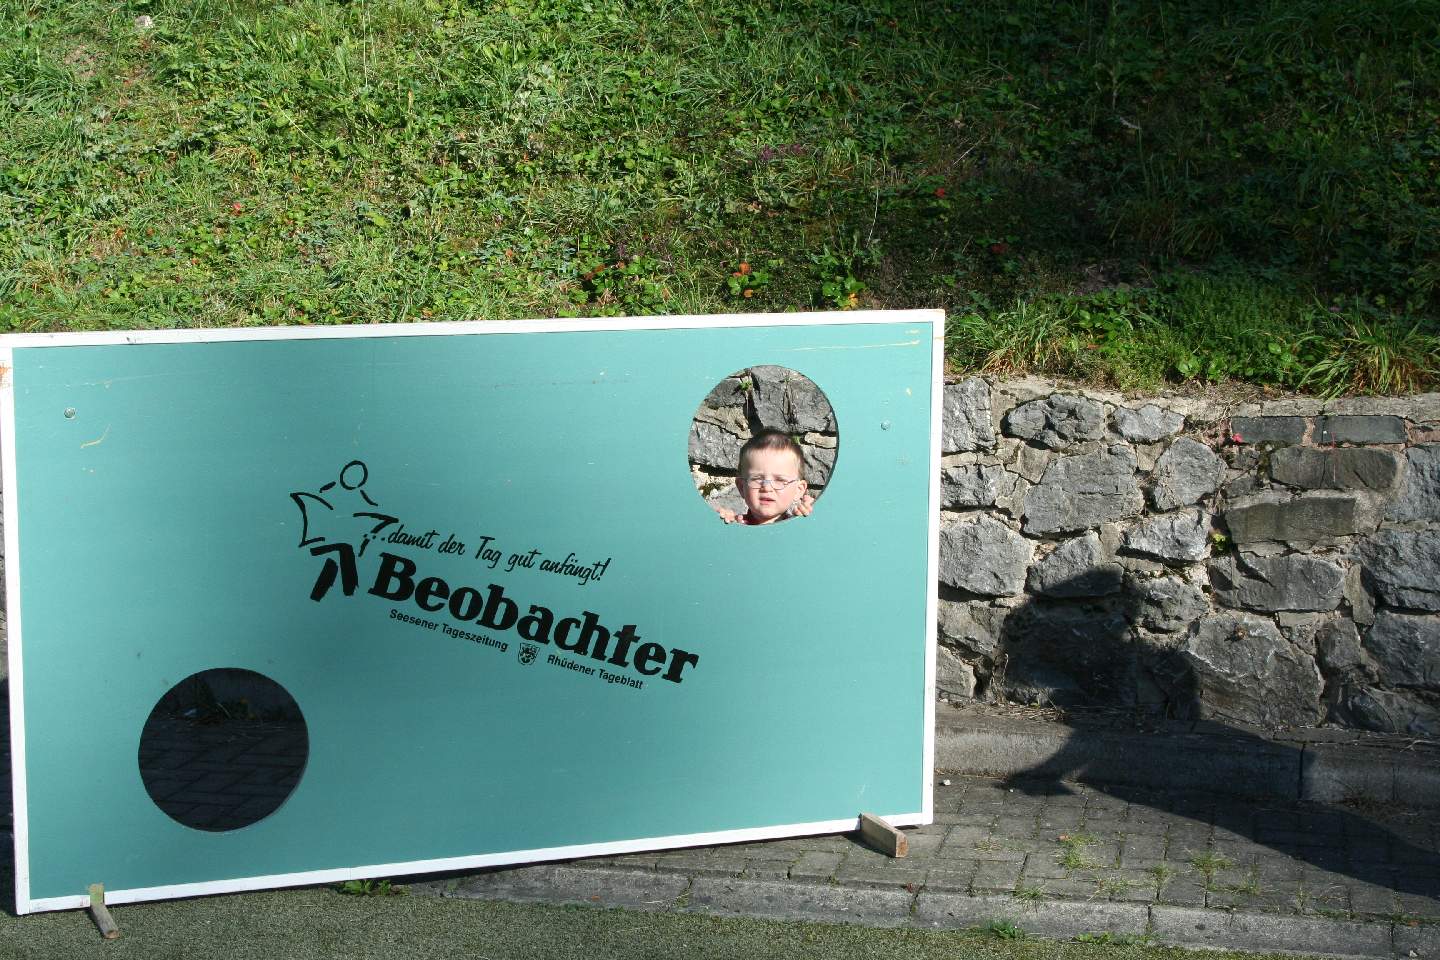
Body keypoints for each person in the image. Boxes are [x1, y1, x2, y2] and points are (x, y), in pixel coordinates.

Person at [718, 429, 816, 525]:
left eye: (779, 480)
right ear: (741, 486)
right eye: (757, 479)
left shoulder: (799, 526)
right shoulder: (736, 525)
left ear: (798, 490)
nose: (767, 488)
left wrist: (811, 517)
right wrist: (721, 523)